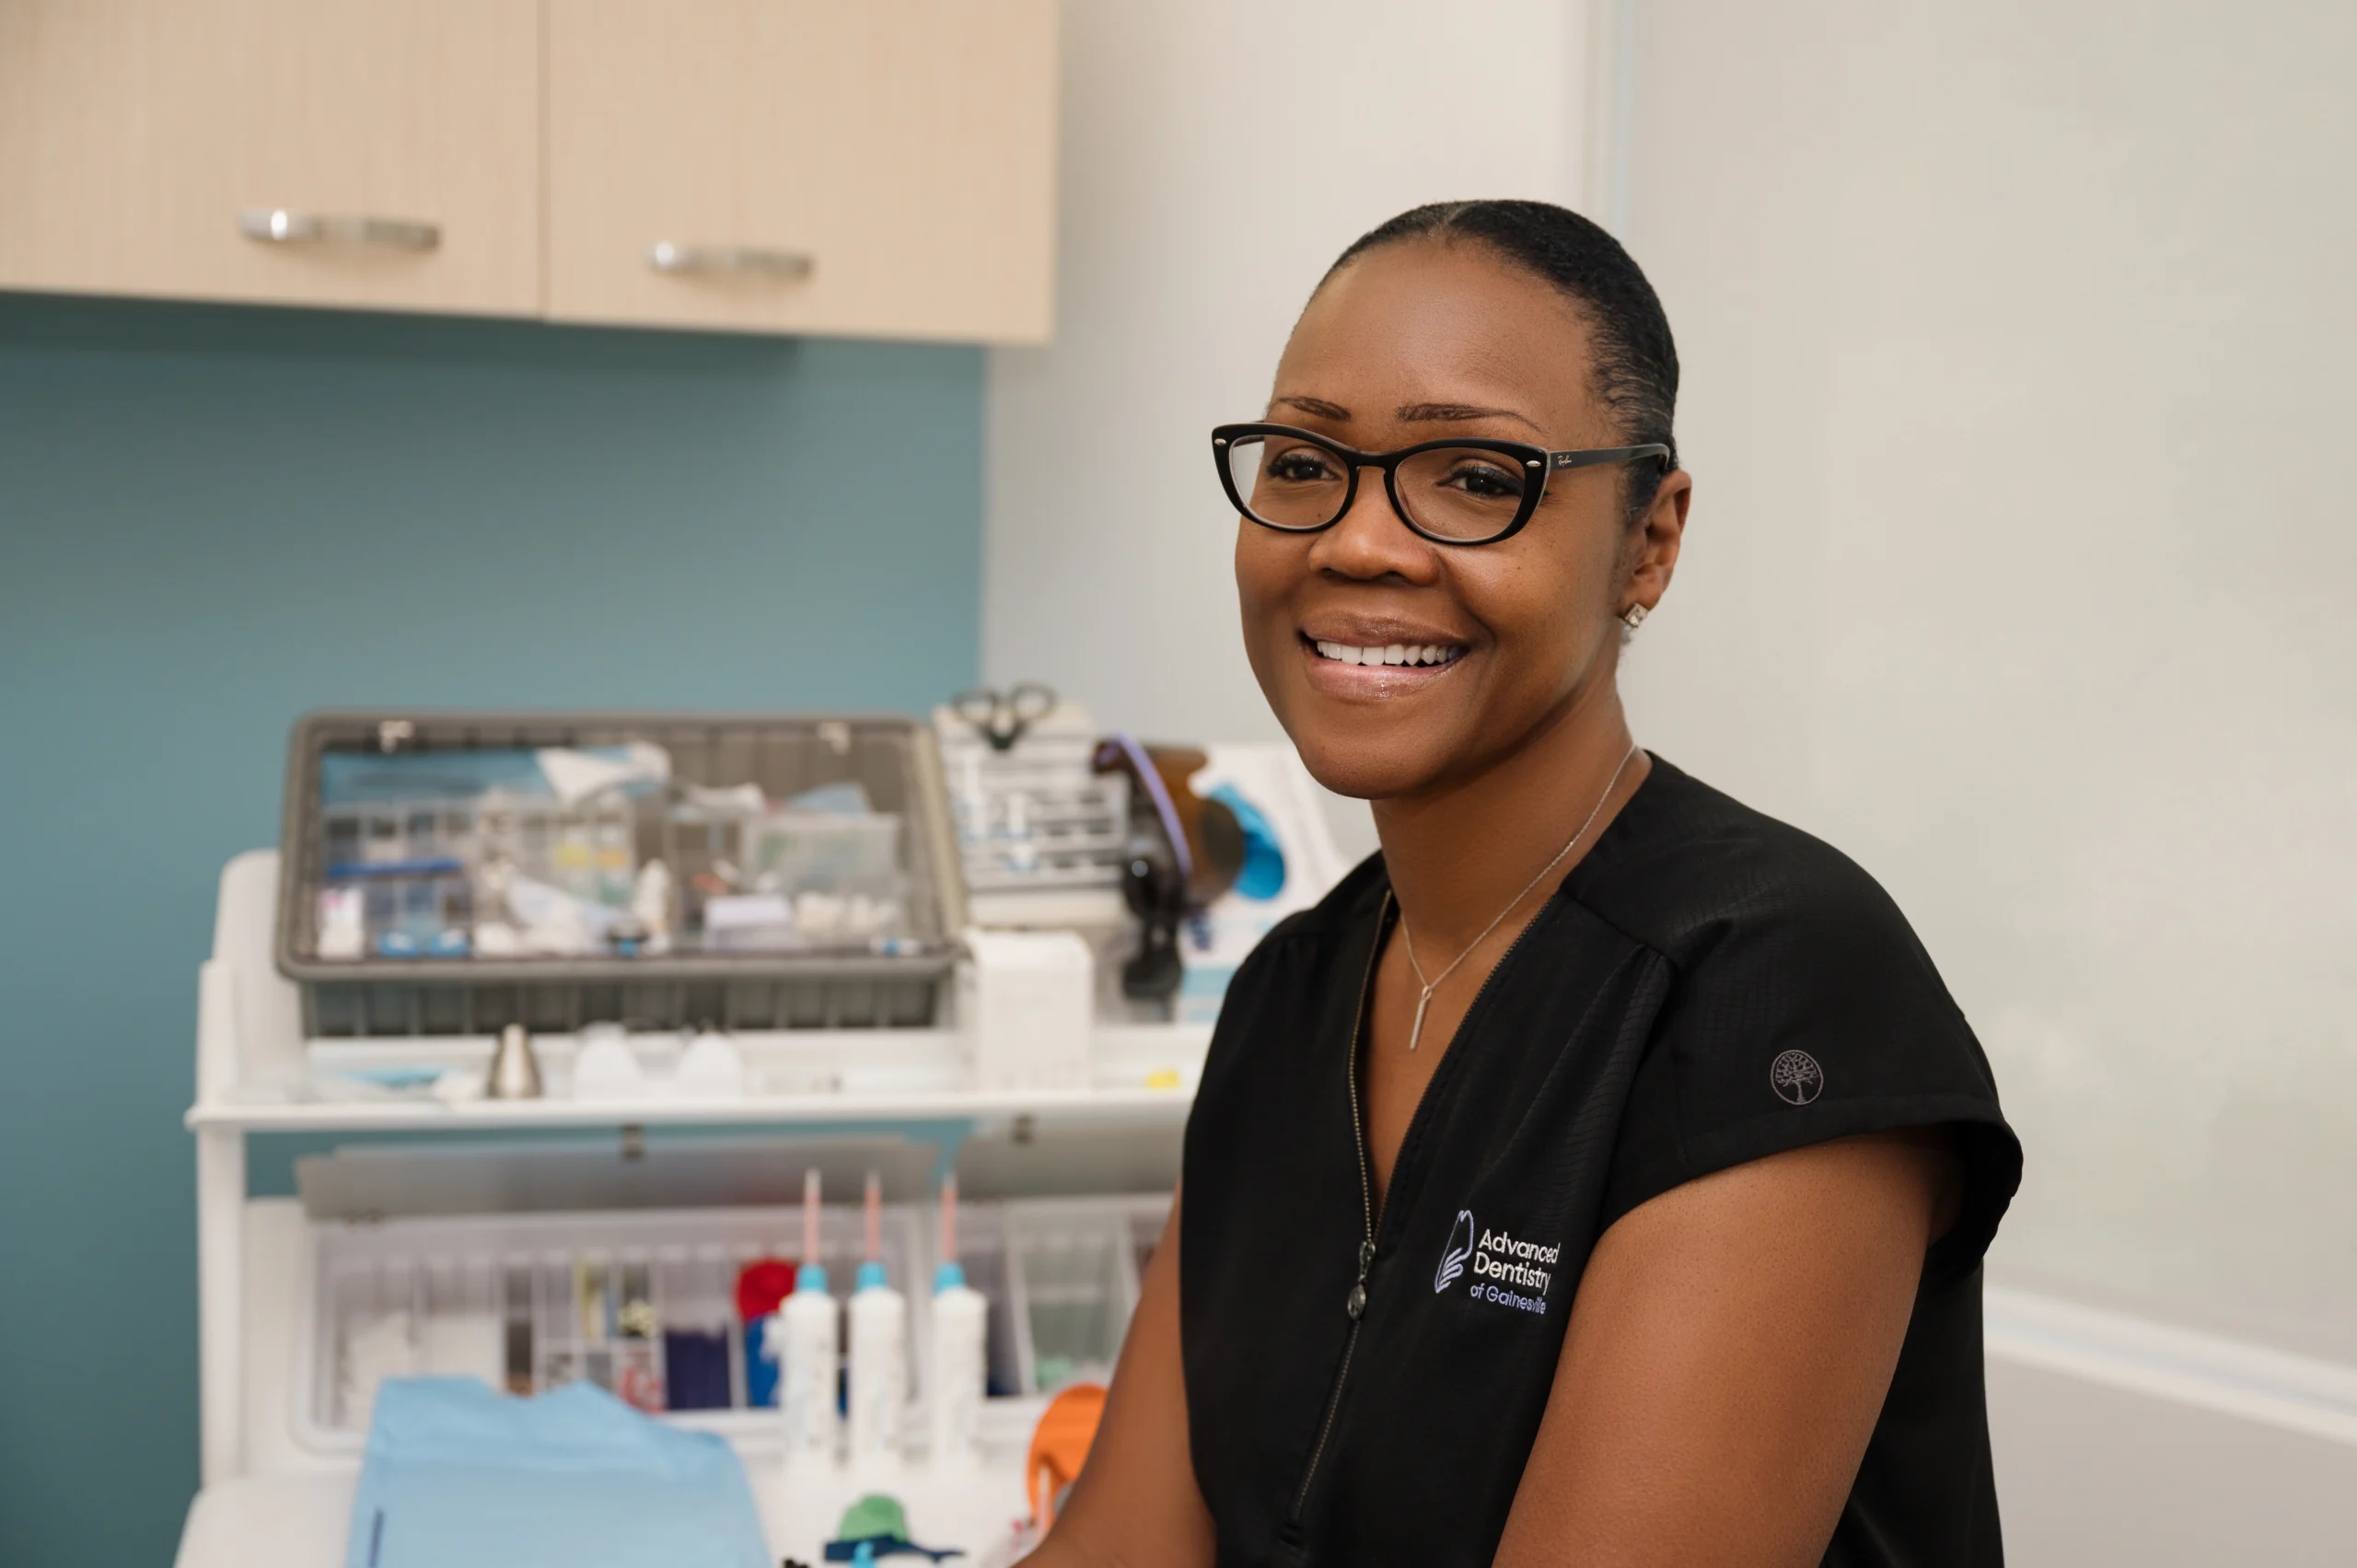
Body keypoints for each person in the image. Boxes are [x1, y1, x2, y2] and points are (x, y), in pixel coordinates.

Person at [1028, 200, 2022, 1568]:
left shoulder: (1772, 993)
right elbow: (1123, 1554)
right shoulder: (1289, 996)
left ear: (1650, 541)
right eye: (1307, 461)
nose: (1358, 540)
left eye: (1476, 475)